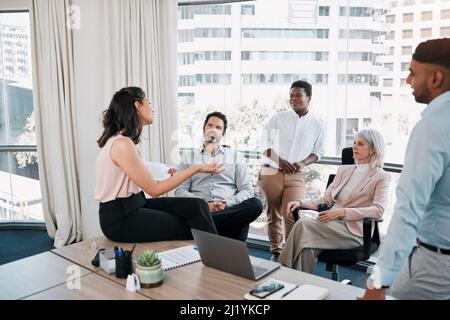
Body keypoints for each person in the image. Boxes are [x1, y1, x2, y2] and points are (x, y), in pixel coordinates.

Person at [360, 38, 450, 300]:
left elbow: (408, 210)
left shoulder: (434, 126)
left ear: (435, 78)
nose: (408, 80)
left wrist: (378, 282)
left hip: (434, 267)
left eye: (412, 72)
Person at [95, 87, 223, 242]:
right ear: (138, 106)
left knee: (198, 205)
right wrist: (195, 168)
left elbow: (149, 184)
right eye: (149, 103)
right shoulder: (122, 144)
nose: (153, 109)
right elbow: (155, 190)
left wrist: (169, 175)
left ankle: (218, 254)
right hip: (120, 219)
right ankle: (217, 260)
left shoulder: (121, 141)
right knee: (189, 223)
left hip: (136, 204)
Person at [278, 129, 391, 273]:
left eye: (361, 144)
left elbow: (378, 210)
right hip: (330, 225)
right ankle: (301, 287)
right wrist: (300, 202)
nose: (355, 147)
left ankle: (281, 273)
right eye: (354, 143)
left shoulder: (381, 176)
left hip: (354, 232)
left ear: (373, 150)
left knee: (303, 224)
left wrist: (341, 212)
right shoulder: (344, 170)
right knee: (307, 248)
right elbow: (324, 200)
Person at [258, 80, 326, 261]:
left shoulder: (318, 125)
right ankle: (276, 252)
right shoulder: (278, 118)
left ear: (309, 98)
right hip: (271, 171)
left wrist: (303, 163)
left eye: (298, 95)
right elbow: (264, 144)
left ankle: (289, 255)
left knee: (292, 214)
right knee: (274, 214)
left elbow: (318, 152)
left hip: (296, 175)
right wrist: (279, 161)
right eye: (291, 95)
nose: (293, 99)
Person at [175, 112, 263, 241]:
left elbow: (247, 190)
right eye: (210, 125)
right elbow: (180, 190)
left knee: (256, 204)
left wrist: (227, 204)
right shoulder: (188, 157)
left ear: (224, 133)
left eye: (218, 127)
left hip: (227, 209)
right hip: (201, 210)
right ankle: (212, 223)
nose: (213, 130)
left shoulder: (236, 157)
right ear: (203, 128)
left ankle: (207, 224)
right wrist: (204, 204)